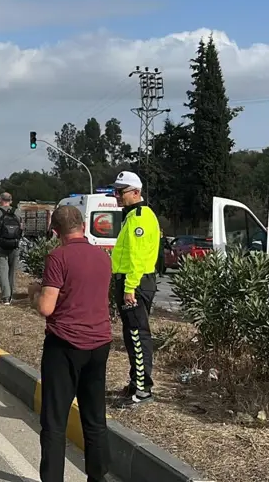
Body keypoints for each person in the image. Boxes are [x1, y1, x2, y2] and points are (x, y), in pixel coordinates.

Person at [36, 205, 113, 482]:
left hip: (65, 346)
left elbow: (46, 306)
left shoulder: (58, 257)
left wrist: (35, 293)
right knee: (94, 418)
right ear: (83, 225)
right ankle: (98, 476)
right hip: (100, 345)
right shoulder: (103, 257)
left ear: (56, 231)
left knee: (55, 422)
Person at [109, 171, 160, 406]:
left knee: (138, 336)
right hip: (130, 282)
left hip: (136, 284)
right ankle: (135, 383)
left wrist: (129, 287)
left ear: (136, 192)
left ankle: (143, 389)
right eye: (116, 191)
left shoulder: (140, 217)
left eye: (121, 192)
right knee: (131, 335)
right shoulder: (131, 216)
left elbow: (137, 259)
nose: (117, 196)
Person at [0, 192, 23, 304]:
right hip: (15, 244)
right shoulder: (18, 212)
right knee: (12, 271)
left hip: (0, 245)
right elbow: (22, 228)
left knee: (2, 270)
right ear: (11, 201)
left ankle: (6, 297)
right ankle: (11, 295)